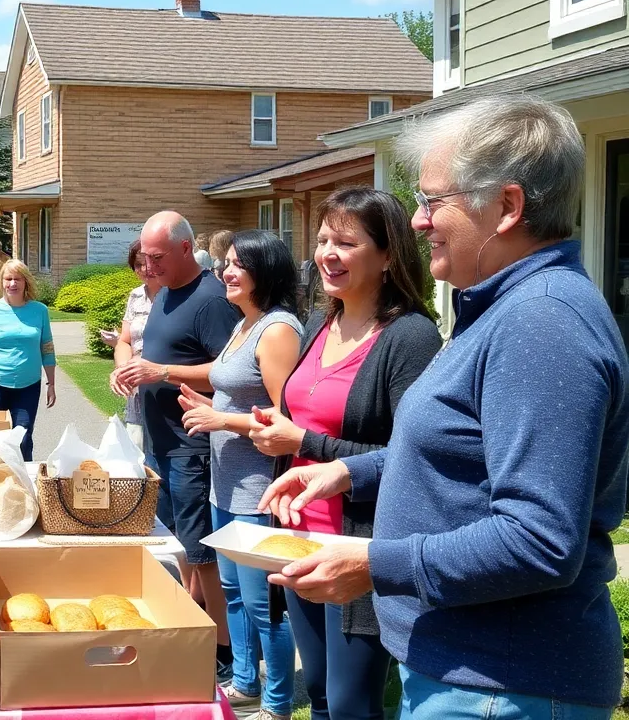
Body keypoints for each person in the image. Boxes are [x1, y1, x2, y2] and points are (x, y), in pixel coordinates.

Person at [262, 96, 629, 719]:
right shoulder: (504, 308)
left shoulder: (542, 322)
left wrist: (378, 562)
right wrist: (351, 471)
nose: (417, 222)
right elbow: (465, 451)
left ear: (507, 208)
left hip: (502, 682)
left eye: (435, 202)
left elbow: (539, 539)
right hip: (472, 674)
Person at [245, 187, 439, 720]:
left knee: (354, 704)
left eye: (347, 242)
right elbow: (300, 420)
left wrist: (304, 442)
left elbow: (412, 456)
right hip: (299, 538)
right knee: (325, 693)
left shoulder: (410, 338)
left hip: (357, 549)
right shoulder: (318, 325)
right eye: (323, 238)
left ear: (389, 255)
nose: (327, 252)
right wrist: (278, 436)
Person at [176, 230, 302, 719]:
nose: (226, 272)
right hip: (224, 486)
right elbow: (237, 391)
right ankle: (246, 683)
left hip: (258, 488)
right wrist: (211, 405)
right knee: (231, 592)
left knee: (263, 603)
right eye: (225, 262)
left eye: (237, 265)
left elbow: (286, 418)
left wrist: (221, 419)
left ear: (264, 271)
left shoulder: (277, 330)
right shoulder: (244, 323)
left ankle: (277, 701)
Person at [115, 211, 239, 681]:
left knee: (203, 550)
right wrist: (130, 367)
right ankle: (195, 627)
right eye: (144, 256)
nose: (148, 265)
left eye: (157, 256)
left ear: (186, 249)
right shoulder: (166, 292)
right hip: (160, 440)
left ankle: (224, 651)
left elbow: (227, 372)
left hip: (192, 445)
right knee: (183, 547)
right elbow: (142, 347)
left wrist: (160, 372)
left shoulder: (210, 300)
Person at [0, 259, 56, 460]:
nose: (12, 284)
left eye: (17, 279)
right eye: (8, 279)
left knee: (23, 437)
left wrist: (51, 383)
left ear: (26, 282)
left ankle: (24, 481)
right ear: (1, 282)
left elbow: (47, 348)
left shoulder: (40, 310)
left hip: (28, 386)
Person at [109, 240, 159, 452]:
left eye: (149, 262)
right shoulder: (136, 296)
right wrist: (122, 369)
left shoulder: (176, 296)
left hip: (164, 386)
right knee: (135, 450)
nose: (145, 269)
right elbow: (124, 340)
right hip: (137, 390)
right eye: (138, 265)